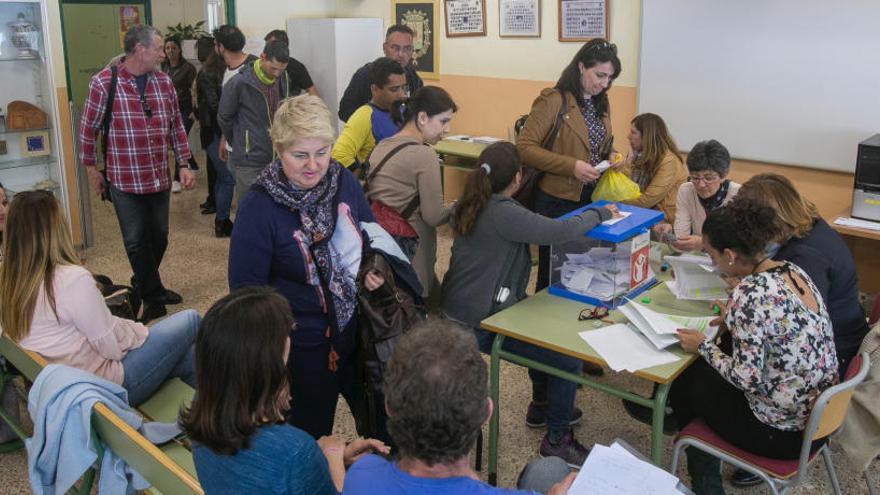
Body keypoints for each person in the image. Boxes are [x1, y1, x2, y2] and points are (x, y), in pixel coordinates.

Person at [228, 95, 400, 439]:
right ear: (279, 150)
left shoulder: (342, 181)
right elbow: (246, 298)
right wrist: (273, 369)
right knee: (311, 439)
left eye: (322, 152)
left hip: (356, 333)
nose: (314, 165)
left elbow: (370, 235)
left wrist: (371, 267)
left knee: (385, 429)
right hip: (301, 352)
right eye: (300, 155)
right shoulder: (258, 209)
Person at [441, 142, 618, 467]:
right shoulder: (503, 212)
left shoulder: (471, 201)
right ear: (518, 177)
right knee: (567, 358)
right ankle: (557, 441)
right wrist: (600, 212)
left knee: (544, 330)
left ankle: (542, 404)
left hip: (457, 314)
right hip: (481, 323)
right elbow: (558, 231)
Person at [671, 199, 838, 494]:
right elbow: (780, 329)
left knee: (690, 382)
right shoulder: (793, 271)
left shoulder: (749, 294)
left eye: (711, 255)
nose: (712, 263)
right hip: (818, 418)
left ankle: (705, 482)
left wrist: (702, 347)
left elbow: (746, 379)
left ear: (730, 255)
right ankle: (676, 416)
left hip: (782, 434)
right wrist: (735, 320)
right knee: (700, 378)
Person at [182, 286, 388, 494]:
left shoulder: (203, 411)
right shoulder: (296, 452)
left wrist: (321, 457)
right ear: (267, 370)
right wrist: (333, 458)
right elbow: (286, 464)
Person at [0, 191, 198, 407]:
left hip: (64, 390)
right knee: (191, 319)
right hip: (104, 388)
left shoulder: (9, 278)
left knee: (193, 357)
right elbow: (111, 347)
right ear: (55, 231)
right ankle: (209, 428)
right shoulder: (71, 279)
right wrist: (137, 332)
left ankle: (198, 425)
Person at [343, 319, 577, 495]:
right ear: (486, 412)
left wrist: (333, 456)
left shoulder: (360, 475)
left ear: (389, 406)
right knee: (552, 468)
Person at [78, 24, 193, 324]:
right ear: (140, 50)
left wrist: (183, 163)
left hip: (157, 177)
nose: (162, 52)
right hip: (123, 179)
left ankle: (143, 283)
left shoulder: (164, 81)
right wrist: (91, 170)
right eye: (157, 48)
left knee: (159, 237)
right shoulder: (104, 83)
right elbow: (87, 130)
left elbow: (176, 126)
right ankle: (153, 297)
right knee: (136, 240)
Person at [515, 39, 621, 294]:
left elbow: (602, 145)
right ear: (581, 66)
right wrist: (570, 166)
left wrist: (613, 156)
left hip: (591, 196)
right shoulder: (553, 100)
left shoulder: (601, 102)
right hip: (557, 198)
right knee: (554, 271)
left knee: (585, 270)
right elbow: (525, 147)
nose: (604, 84)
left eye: (610, 78)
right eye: (599, 75)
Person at [364, 86, 456, 299]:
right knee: (418, 313)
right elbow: (433, 216)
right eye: (443, 121)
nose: (447, 129)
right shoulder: (424, 155)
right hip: (412, 250)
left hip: (382, 247)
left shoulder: (383, 145)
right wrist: (457, 205)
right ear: (422, 117)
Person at [218, 39, 291, 203]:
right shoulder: (239, 83)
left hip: (277, 156)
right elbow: (224, 118)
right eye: (273, 68)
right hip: (249, 161)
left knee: (273, 207)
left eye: (281, 69)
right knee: (250, 207)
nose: (277, 74)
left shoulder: (283, 77)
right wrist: (241, 142)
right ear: (262, 57)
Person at [654, 139, 741, 252]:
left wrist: (704, 244)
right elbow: (681, 239)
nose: (701, 185)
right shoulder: (686, 190)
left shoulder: (738, 195)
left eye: (708, 178)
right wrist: (671, 236)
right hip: (697, 259)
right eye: (695, 177)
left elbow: (741, 247)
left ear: (724, 175)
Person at [331, 57, 406, 173]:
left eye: (403, 87)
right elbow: (340, 155)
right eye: (394, 89)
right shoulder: (364, 116)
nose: (401, 94)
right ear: (375, 89)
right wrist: (362, 179)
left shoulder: (404, 110)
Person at [338, 24, 423, 122]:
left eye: (407, 49)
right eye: (395, 48)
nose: (401, 54)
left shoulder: (412, 76)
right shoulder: (366, 74)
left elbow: (419, 109)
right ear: (384, 48)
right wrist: (374, 124)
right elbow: (344, 111)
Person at [196, 39, 236, 237]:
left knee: (223, 178)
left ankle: (222, 220)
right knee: (228, 178)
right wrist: (225, 134)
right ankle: (221, 222)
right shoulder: (210, 73)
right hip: (214, 133)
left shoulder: (216, 71)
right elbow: (215, 107)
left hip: (213, 131)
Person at [615, 113, 687, 221]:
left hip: (664, 220)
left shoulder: (668, 161)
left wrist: (614, 203)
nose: (628, 136)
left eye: (633, 133)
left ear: (647, 137)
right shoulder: (640, 154)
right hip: (644, 213)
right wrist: (629, 161)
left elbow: (647, 200)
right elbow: (625, 188)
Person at [212, 25, 258, 164]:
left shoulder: (254, 68)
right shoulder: (228, 70)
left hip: (249, 150)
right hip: (233, 145)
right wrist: (224, 140)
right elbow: (229, 112)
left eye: (215, 44)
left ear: (221, 47)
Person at [161, 36, 199, 193]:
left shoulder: (188, 68)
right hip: (167, 109)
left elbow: (195, 90)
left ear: (180, 50)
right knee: (177, 140)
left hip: (184, 109)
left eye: (174, 48)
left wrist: (194, 110)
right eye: (168, 48)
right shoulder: (164, 67)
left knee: (178, 140)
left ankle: (176, 177)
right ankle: (194, 164)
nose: (170, 51)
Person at [194, 36, 218, 215]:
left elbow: (212, 103)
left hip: (211, 127)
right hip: (212, 125)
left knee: (215, 168)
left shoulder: (207, 71)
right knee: (213, 166)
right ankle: (212, 198)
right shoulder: (216, 69)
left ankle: (214, 201)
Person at [264, 29, 319, 96]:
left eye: (271, 46)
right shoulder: (260, 65)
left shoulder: (296, 67)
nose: (276, 74)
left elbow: (312, 92)